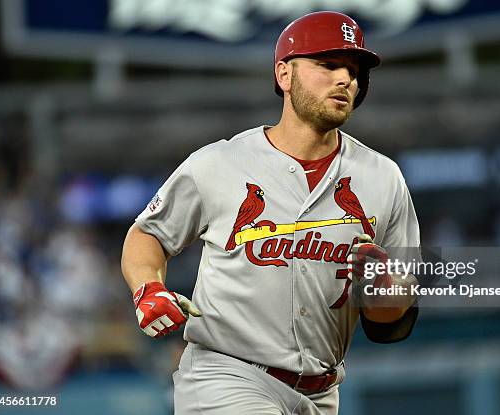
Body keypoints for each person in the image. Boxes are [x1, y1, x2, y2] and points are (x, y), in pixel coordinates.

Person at [121, 10, 420, 415]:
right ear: (284, 75)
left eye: (354, 70)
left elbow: (394, 318)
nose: (345, 79)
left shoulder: (383, 178)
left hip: (321, 391)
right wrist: (147, 287)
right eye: (328, 64)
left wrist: (386, 287)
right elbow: (148, 235)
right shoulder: (221, 162)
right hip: (226, 376)